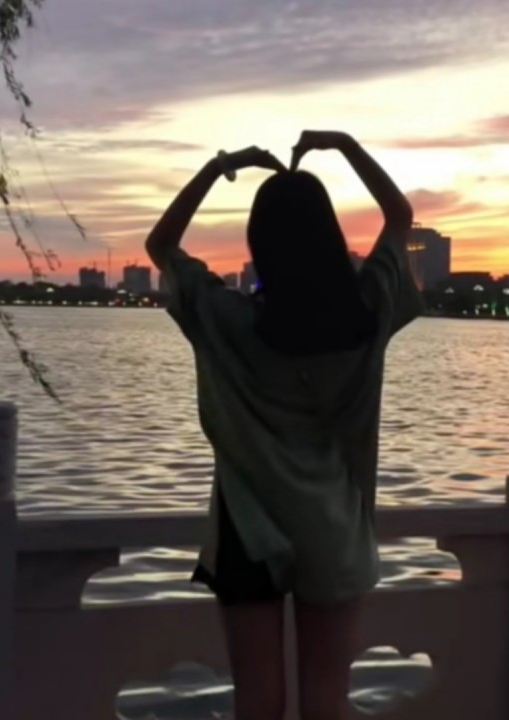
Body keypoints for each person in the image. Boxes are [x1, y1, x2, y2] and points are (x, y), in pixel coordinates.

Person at [145, 131, 421, 720]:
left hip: (247, 533)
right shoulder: (367, 314)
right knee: (325, 700)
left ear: (259, 242)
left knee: (258, 702)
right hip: (335, 526)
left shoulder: (228, 320)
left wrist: (221, 166)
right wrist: (343, 145)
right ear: (330, 235)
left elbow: (161, 244)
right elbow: (400, 216)